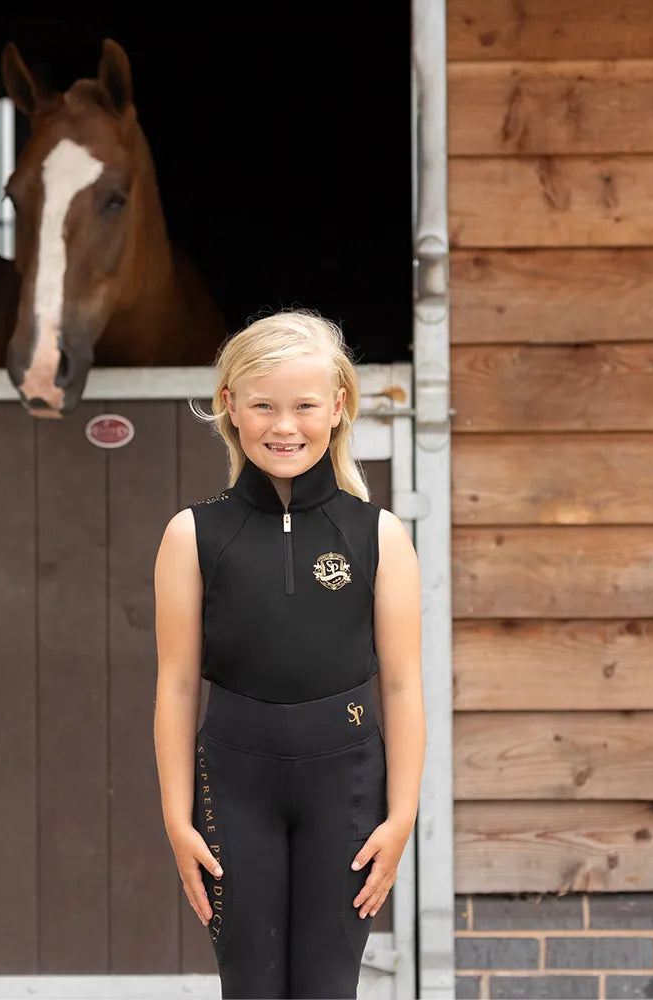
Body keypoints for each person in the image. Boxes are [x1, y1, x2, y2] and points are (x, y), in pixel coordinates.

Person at [152, 309, 426, 999]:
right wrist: (176, 819)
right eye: (263, 406)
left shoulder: (379, 536)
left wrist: (402, 817)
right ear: (229, 408)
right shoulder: (192, 535)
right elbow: (178, 686)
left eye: (305, 406)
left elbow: (402, 685)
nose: (284, 426)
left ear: (337, 409)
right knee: (248, 986)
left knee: (330, 986)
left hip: (350, 788)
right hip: (234, 788)